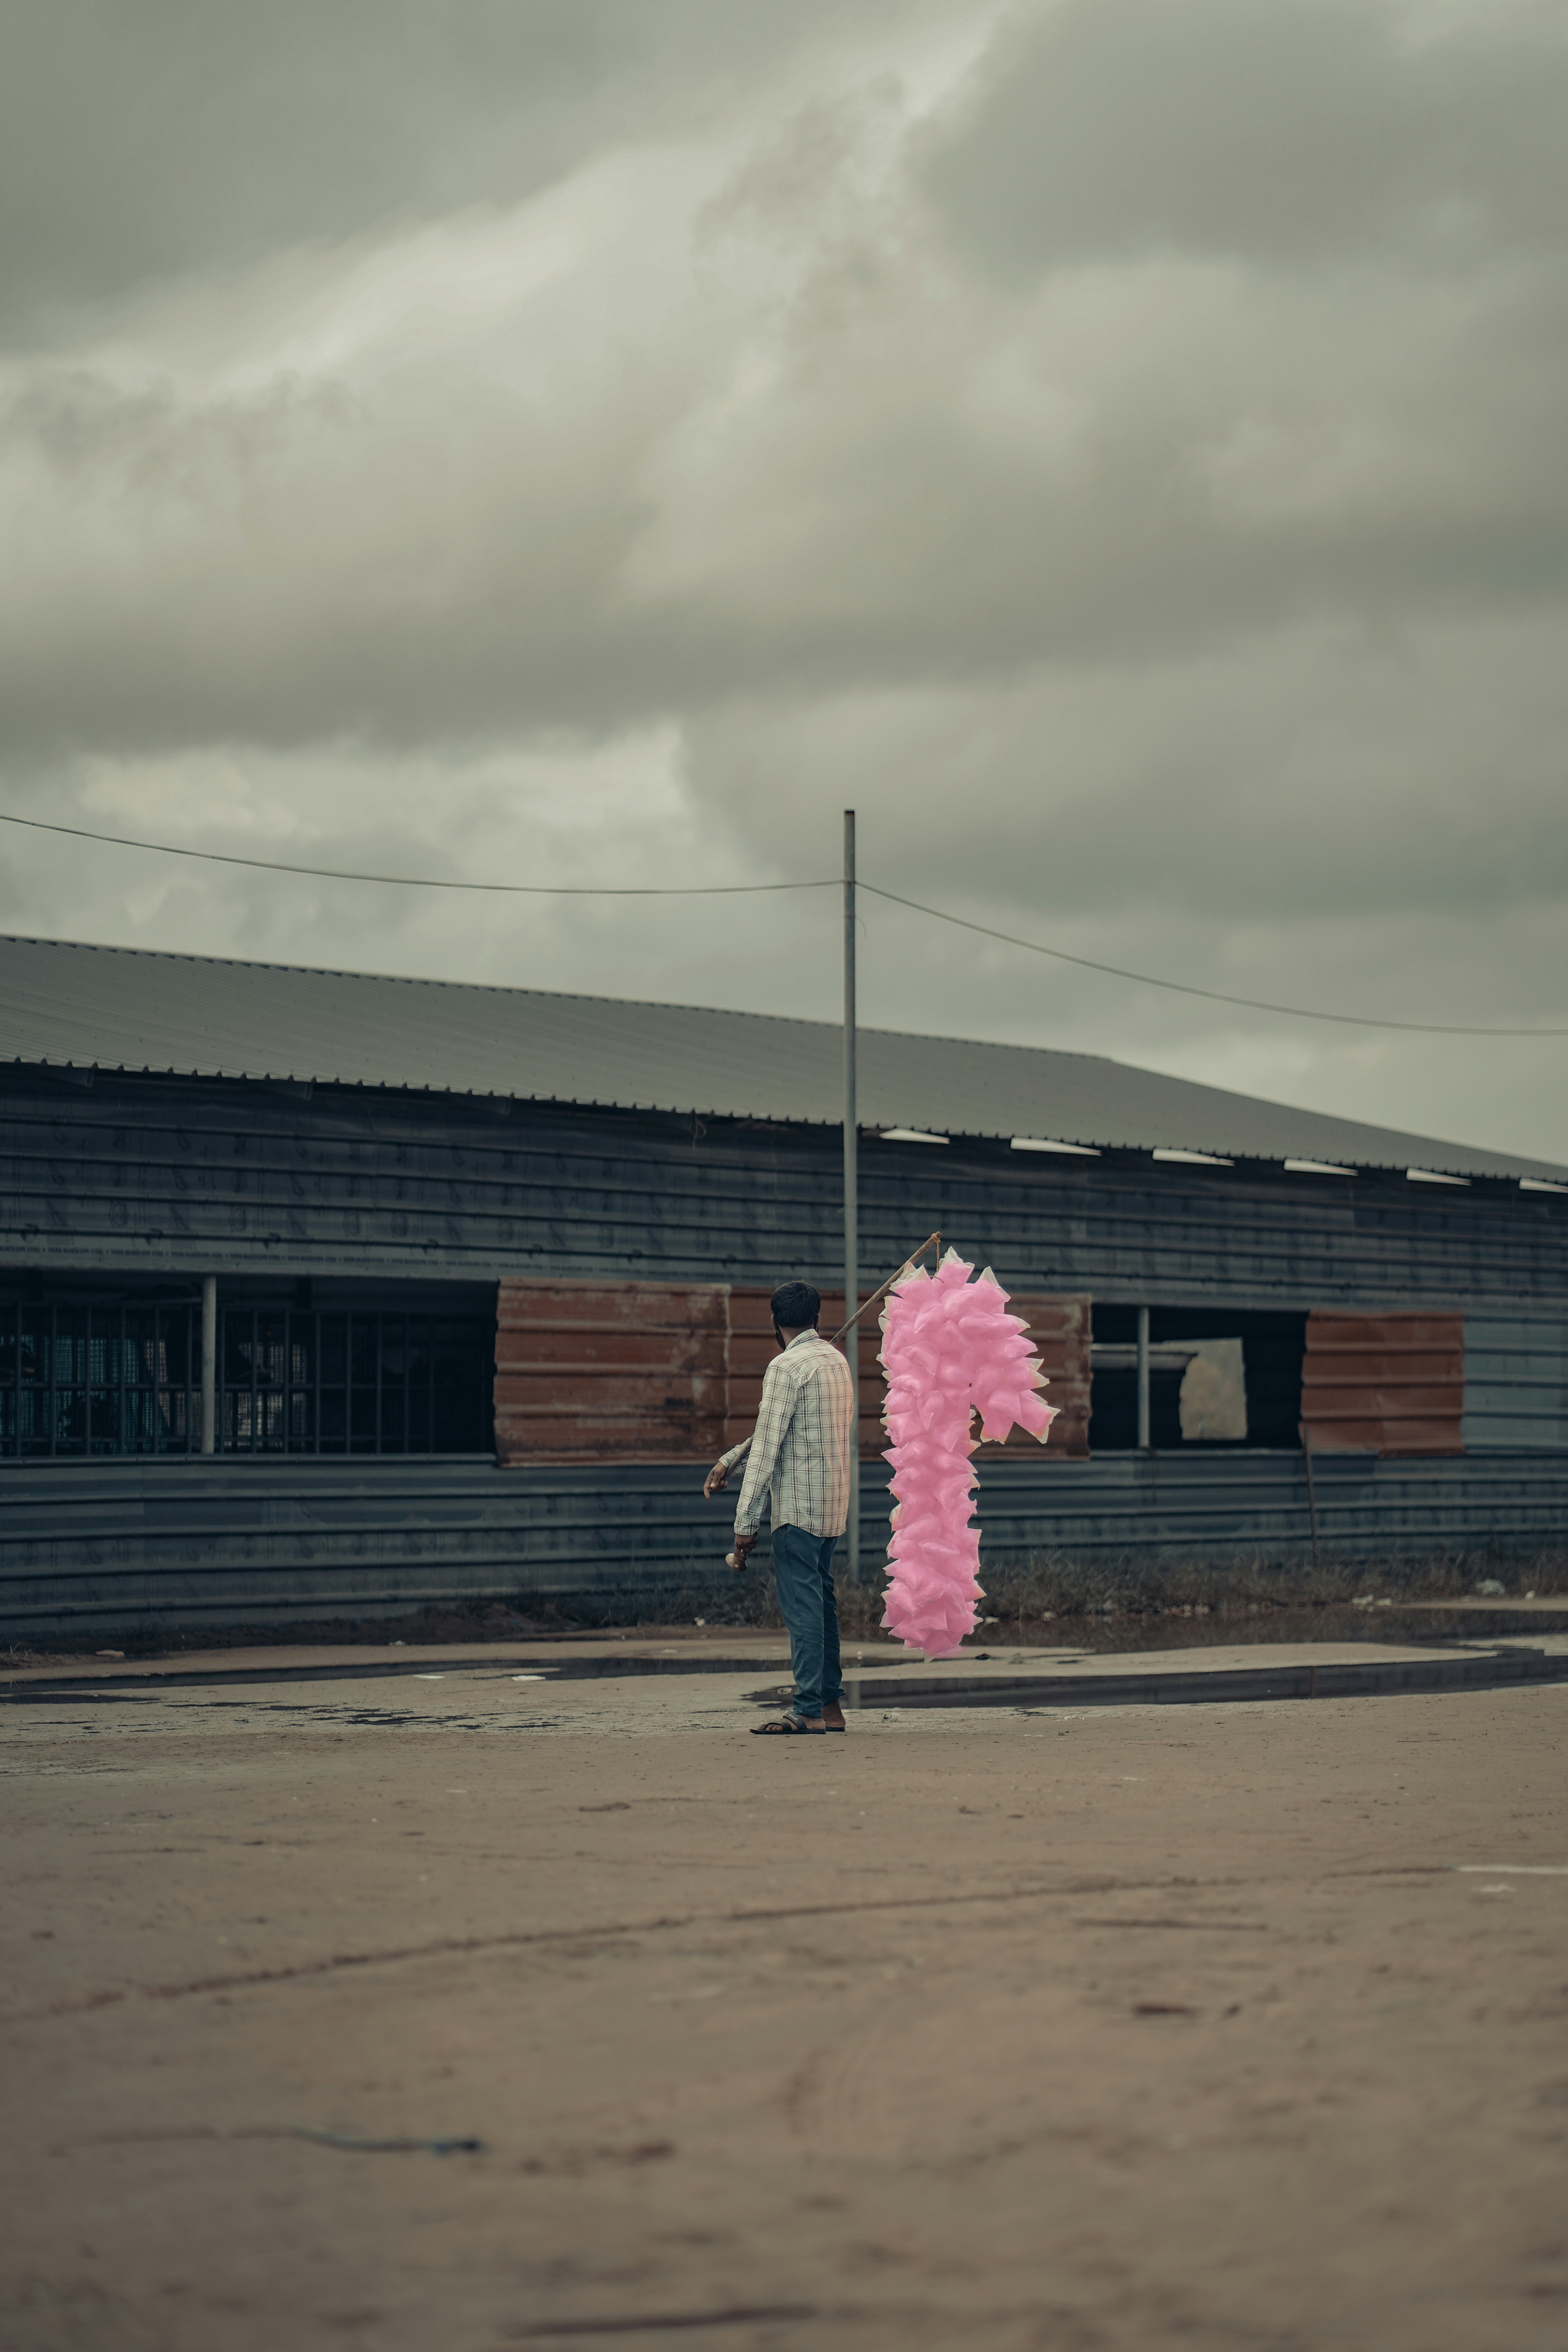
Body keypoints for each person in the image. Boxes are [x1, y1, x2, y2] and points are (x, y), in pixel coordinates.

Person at [705, 1280, 855, 1736]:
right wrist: (731, 1458)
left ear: (775, 1322)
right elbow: (776, 1431)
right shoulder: (836, 1362)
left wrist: (745, 1524)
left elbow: (770, 1448)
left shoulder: (786, 1368)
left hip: (797, 1510)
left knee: (805, 1608)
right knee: (822, 1605)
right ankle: (830, 1708)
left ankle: (808, 1708)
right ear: (817, 1318)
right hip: (831, 1508)